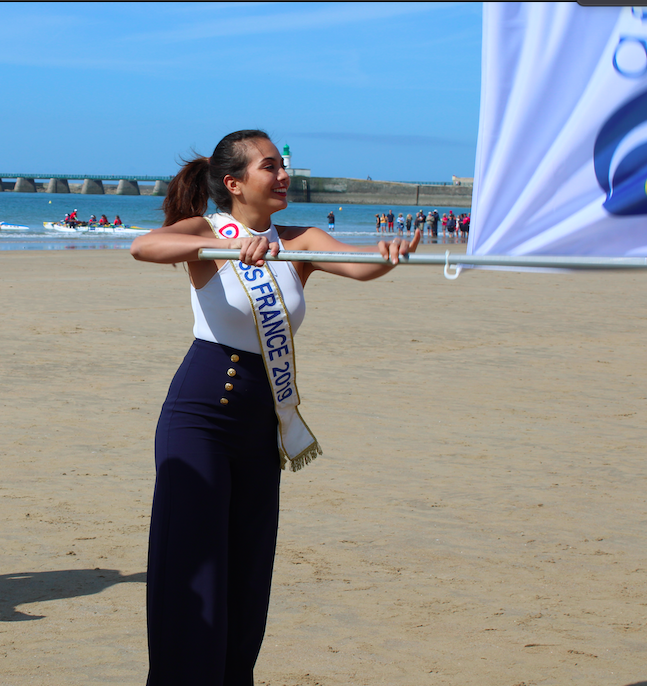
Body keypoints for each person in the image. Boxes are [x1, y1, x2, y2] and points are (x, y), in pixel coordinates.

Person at [129, 129, 419, 685]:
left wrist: (389, 255)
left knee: (248, 568)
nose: (283, 175)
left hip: (260, 425)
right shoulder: (210, 232)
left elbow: (360, 267)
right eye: (270, 167)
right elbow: (144, 246)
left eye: (282, 166)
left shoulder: (297, 240)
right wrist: (215, 246)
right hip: (201, 415)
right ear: (234, 183)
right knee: (194, 564)